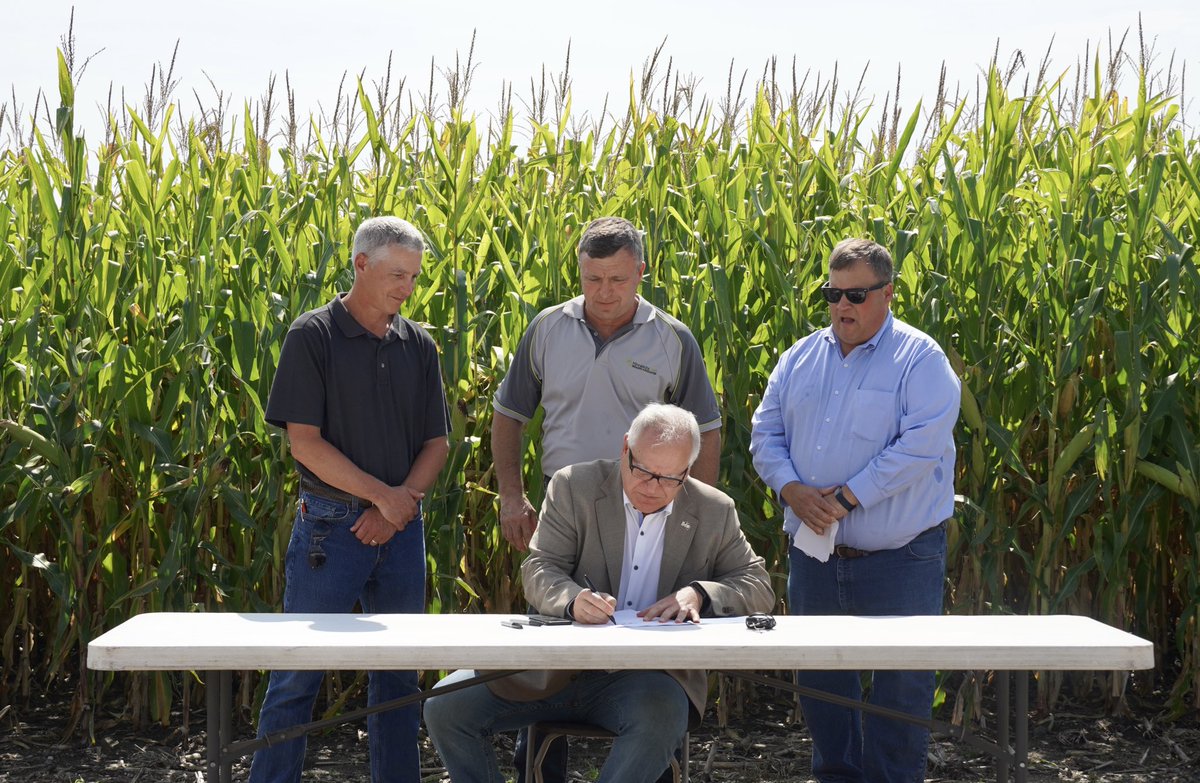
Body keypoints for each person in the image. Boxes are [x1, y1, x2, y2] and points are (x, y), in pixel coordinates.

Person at [426, 403, 774, 783]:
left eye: (669, 478)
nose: (652, 487)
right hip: (555, 666)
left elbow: (757, 584)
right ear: (625, 448)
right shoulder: (574, 486)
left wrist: (699, 594)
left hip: (648, 678)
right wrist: (572, 600)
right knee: (445, 706)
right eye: (642, 471)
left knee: (660, 717)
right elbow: (540, 567)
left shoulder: (713, 510)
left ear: (687, 472)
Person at [749, 238, 960, 783]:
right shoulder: (799, 357)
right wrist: (791, 488)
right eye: (832, 293)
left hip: (901, 556)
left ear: (887, 294)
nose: (842, 305)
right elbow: (765, 432)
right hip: (816, 556)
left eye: (857, 294)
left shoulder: (920, 359)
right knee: (820, 683)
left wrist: (846, 498)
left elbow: (920, 446)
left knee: (902, 686)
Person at [250, 216, 451, 783]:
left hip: (401, 530)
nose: (406, 289)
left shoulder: (419, 344)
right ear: (360, 264)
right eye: (395, 275)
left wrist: (397, 507)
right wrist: (383, 499)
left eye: (412, 277)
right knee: (297, 677)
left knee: (398, 682)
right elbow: (304, 443)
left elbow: (437, 442)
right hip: (329, 531)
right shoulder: (311, 336)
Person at [492, 216, 722, 554]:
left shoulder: (673, 339)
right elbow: (508, 414)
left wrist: (691, 515)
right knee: (556, 603)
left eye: (617, 279)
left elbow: (706, 432)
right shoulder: (547, 328)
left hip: (645, 505)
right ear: (580, 271)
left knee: (640, 606)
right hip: (560, 500)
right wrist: (512, 496)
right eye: (593, 278)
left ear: (640, 272)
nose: (604, 291)